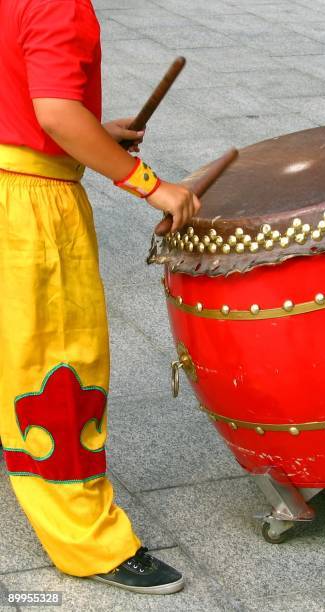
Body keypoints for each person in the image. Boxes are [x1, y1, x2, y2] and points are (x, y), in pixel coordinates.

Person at [0, 0, 200, 594]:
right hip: (27, 202)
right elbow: (56, 112)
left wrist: (92, 130)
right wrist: (150, 185)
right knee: (57, 369)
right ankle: (87, 542)